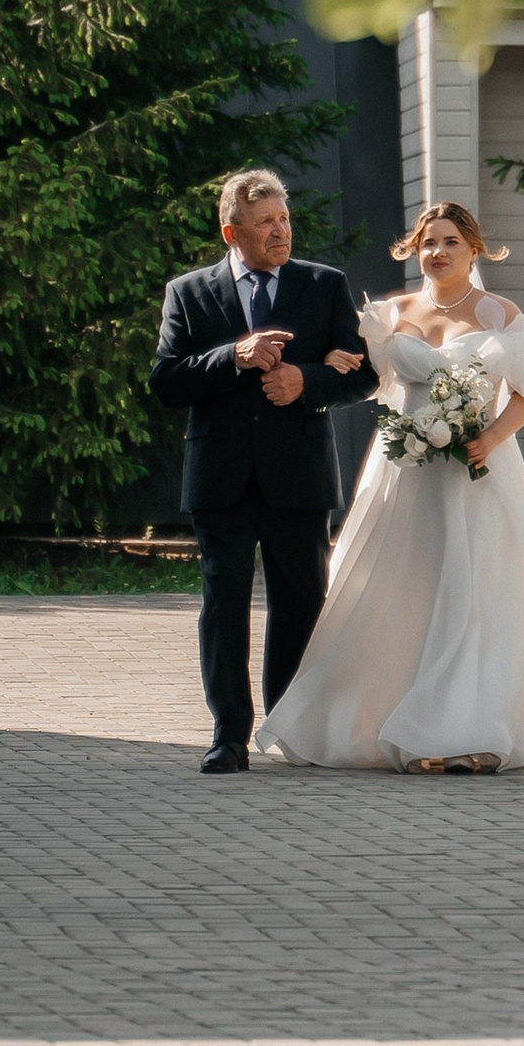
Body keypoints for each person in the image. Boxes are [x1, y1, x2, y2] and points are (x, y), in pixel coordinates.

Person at [255, 199, 524, 773]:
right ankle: (390, 717)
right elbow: (367, 377)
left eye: (449, 242)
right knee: (405, 592)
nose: (437, 252)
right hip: (407, 470)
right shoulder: (390, 315)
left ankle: (471, 733)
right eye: (428, 243)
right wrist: (329, 359)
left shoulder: (497, 312)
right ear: (414, 251)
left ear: (474, 250)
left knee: (475, 594)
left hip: (480, 470)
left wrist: (491, 437)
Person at [150, 170, 367, 776]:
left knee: (300, 601)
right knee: (224, 601)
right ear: (232, 230)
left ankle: (290, 724)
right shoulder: (189, 292)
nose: (281, 231)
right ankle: (228, 734)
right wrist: (233, 356)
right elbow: (166, 381)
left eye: (285, 219)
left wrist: (307, 381)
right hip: (220, 476)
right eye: (266, 222)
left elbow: (364, 373)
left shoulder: (324, 286)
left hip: (297, 474)